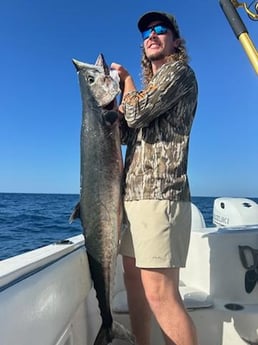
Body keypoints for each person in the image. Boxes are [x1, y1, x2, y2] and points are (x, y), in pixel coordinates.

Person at [111, 11, 198, 345]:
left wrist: (127, 82)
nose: (152, 35)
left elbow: (136, 112)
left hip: (161, 195)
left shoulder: (179, 73)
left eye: (161, 30)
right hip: (133, 197)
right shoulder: (148, 90)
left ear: (175, 41)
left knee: (161, 295)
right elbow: (121, 133)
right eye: (147, 32)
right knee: (133, 282)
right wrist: (109, 101)